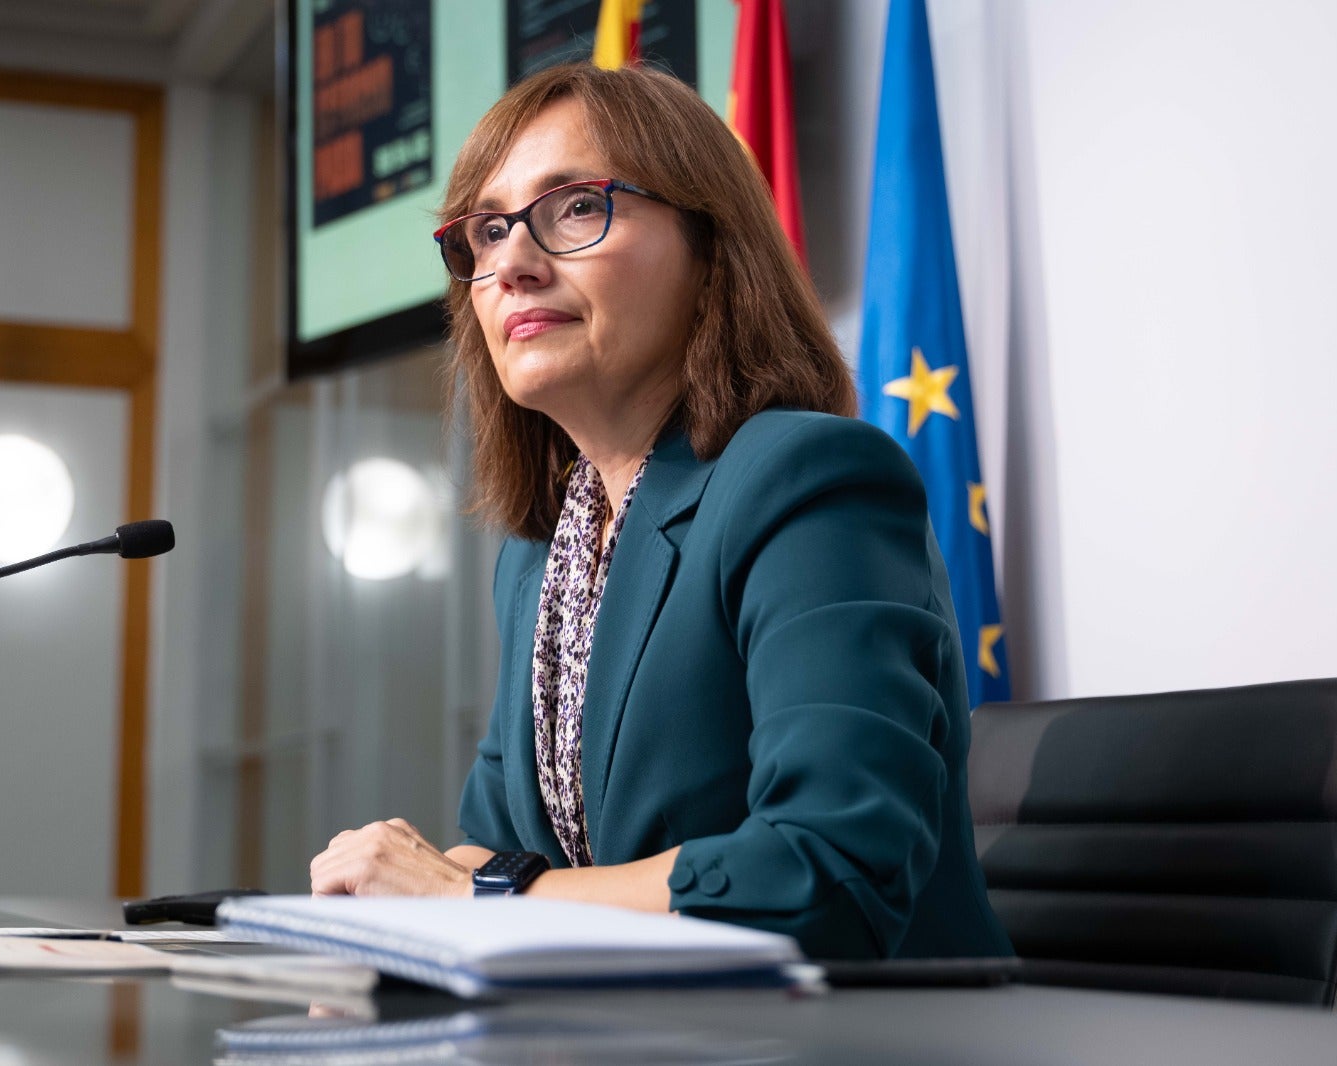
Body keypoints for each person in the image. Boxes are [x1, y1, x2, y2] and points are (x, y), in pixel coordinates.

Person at [309, 62, 1011, 960]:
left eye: (572, 208)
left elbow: (827, 872)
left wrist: (486, 894)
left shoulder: (811, 479)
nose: (511, 265)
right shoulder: (539, 556)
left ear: (709, 246)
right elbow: (494, 849)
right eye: (486, 233)